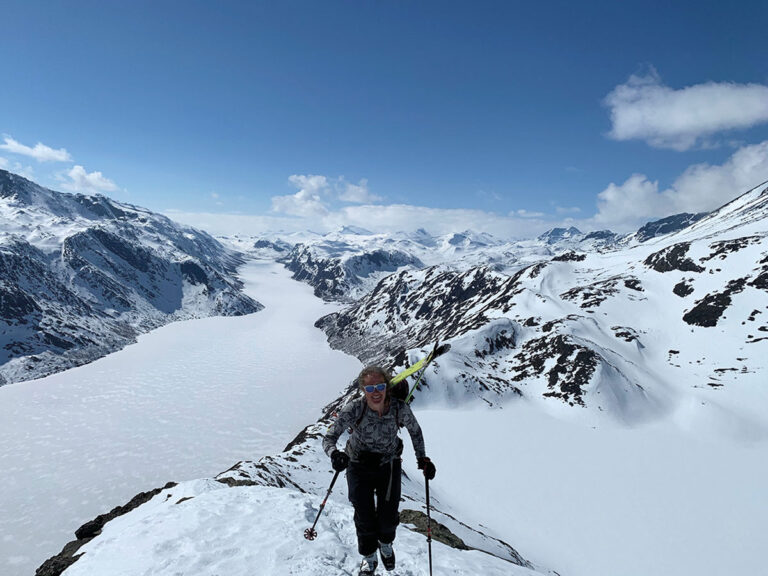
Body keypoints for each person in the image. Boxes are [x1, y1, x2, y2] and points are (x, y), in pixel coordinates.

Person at [324, 365, 437, 575]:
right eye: (369, 388)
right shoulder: (355, 409)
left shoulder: (398, 408)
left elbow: (415, 431)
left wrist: (423, 459)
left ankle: (386, 545)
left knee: (388, 517)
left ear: (386, 386)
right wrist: (335, 454)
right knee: (364, 515)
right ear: (362, 390)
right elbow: (329, 437)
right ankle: (369, 557)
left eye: (379, 386)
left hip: (388, 465)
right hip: (358, 465)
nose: (375, 392)